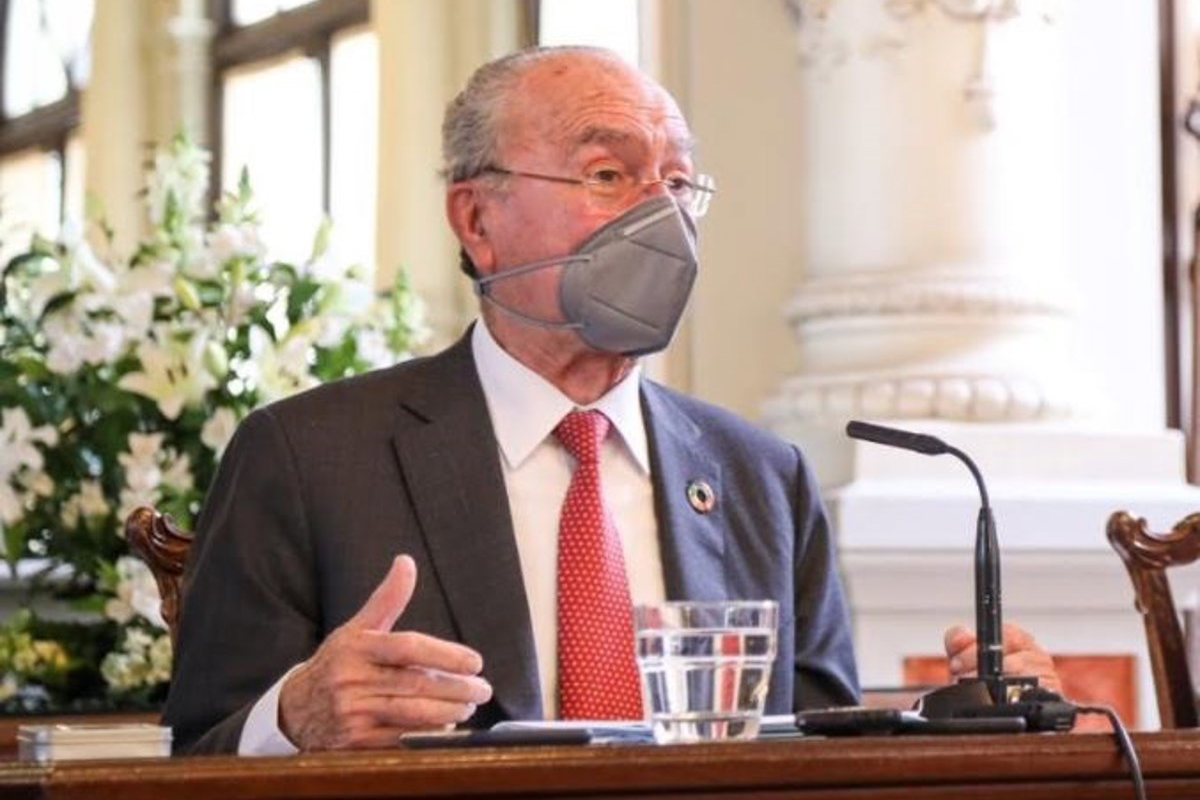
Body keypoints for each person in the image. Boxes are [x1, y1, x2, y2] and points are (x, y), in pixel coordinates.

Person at [163, 46, 1058, 755]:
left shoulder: (762, 477)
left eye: (679, 182)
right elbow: (200, 751)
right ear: (477, 219)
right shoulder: (309, 457)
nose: (661, 216)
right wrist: (296, 716)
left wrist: (963, 719)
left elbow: (818, 752)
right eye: (607, 176)